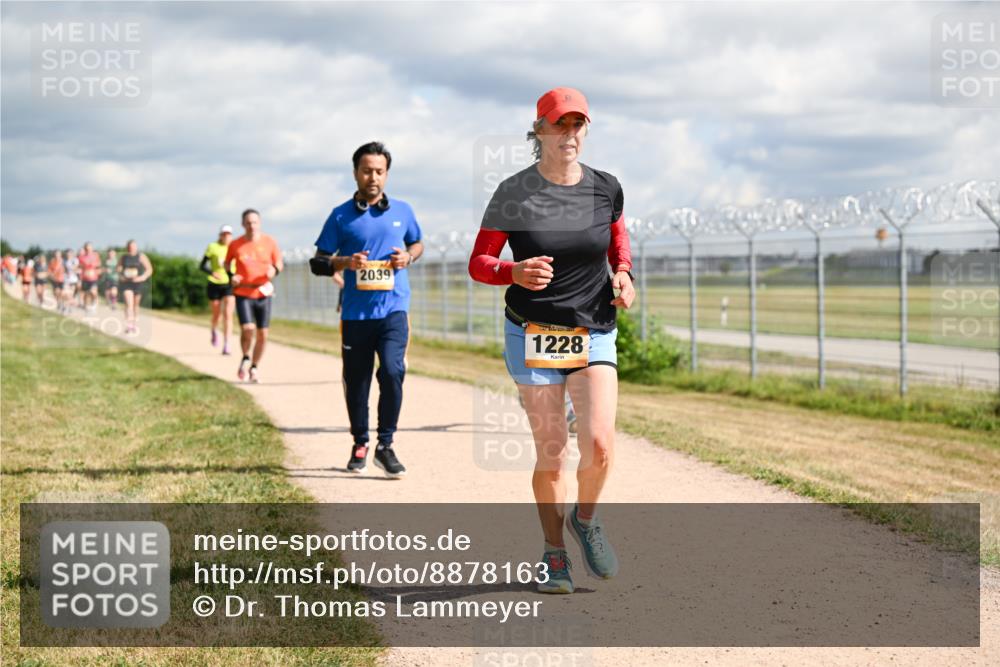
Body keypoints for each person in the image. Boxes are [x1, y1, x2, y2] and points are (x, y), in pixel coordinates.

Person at [468, 88, 636, 594]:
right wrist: (512, 271)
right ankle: (553, 553)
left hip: (594, 328)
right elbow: (479, 263)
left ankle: (585, 520)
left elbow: (617, 241)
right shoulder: (513, 192)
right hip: (533, 332)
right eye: (560, 124)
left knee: (601, 443)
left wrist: (625, 274)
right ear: (538, 130)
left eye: (578, 124)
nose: (570, 134)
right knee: (552, 448)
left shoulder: (606, 187)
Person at [311, 141, 423, 478]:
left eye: (379, 171)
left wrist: (409, 257)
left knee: (392, 371)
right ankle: (360, 441)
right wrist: (345, 261)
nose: (372, 177)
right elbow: (317, 262)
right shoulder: (340, 215)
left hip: (393, 308)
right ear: (356, 173)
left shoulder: (403, 211)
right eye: (366, 170)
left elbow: (417, 243)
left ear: (386, 174)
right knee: (356, 381)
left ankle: (385, 445)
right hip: (356, 315)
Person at [226, 209, 283, 383]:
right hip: (243, 292)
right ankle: (245, 356)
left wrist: (275, 270)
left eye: (255, 222)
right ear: (243, 225)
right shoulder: (236, 244)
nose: (252, 226)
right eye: (248, 223)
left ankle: (254, 367)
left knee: (263, 334)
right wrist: (231, 275)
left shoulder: (270, 242)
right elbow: (228, 263)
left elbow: (279, 262)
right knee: (248, 328)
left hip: (263, 291)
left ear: (260, 223)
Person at [201, 224, 236, 355]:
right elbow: (202, 265)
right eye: (224, 234)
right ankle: (214, 329)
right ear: (220, 235)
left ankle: (227, 343)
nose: (226, 236)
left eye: (229, 234)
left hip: (229, 284)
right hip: (214, 283)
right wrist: (211, 272)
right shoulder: (213, 247)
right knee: (217, 314)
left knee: (228, 314)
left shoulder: (235, 247)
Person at [117, 240, 154, 334]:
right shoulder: (124, 257)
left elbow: (149, 269)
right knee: (129, 304)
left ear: (136, 247)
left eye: (133, 246)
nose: (132, 248)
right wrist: (121, 276)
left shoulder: (141, 256)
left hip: (137, 283)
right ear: (127, 247)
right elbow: (118, 269)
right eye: (130, 246)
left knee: (135, 305)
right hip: (126, 283)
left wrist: (142, 277)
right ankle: (129, 325)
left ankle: (134, 323)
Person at [78, 242, 102, 312]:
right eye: (87, 248)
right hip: (85, 277)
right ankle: (86, 306)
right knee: (86, 293)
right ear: (85, 249)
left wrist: (98, 270)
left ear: (92, 248)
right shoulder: (81, 257)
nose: (88, 250)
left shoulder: (96, 255)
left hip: (94, 277)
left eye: (90, 248)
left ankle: (94, 303)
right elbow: (79, 267)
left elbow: (99, 264)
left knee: (93, 291)